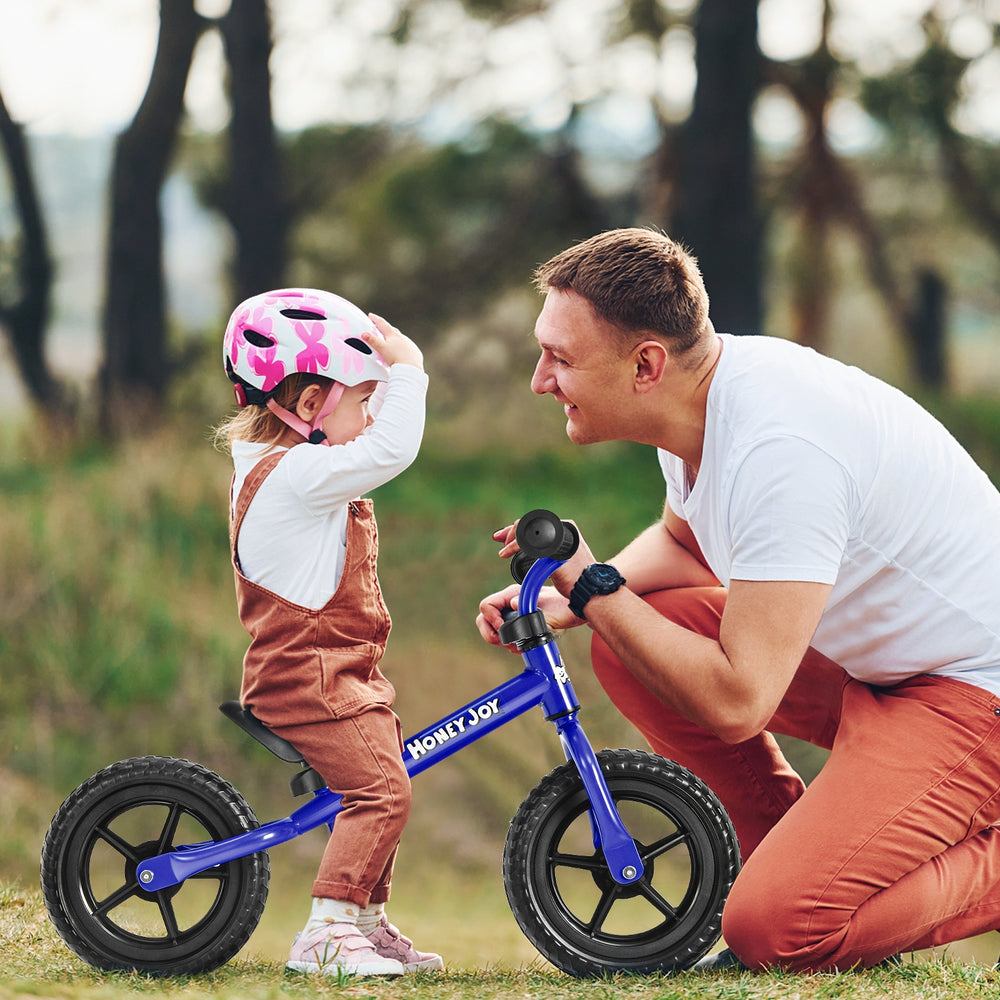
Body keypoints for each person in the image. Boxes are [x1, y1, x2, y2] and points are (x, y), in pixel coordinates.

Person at [476, 228, 1000, 973]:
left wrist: (594, 583)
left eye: (560, 358)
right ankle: (793, 857)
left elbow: (736, 702)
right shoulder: (700, 402)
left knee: (777, 932)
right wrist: (574, 601)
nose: (540, 380)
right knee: (631, 643)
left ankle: (804, 899)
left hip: (973, 693)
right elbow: (685, 545)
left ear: (645, 364)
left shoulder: (781, 448)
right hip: (881, 668)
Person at [218, 288, 442, 978]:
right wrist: (409, 371)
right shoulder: (293, 476)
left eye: (376, 399)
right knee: (382, 789)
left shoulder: (296, 470)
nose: (371, 415)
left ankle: (365, 923)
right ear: (308, 405)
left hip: (338, 673)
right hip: (307, 678)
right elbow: (393, 450)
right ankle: (328, 931)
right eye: (362, 399)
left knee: (385, 779)